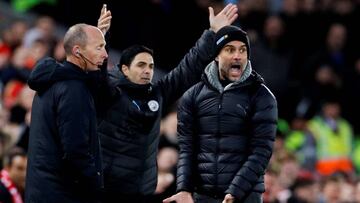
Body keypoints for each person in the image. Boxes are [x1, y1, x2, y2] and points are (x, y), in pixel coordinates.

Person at [95, 4, 239, 203]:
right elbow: (96, 70)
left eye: (151, 66)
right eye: (141, 65)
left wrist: (213, 33)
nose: (148, 71)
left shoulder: (157, 94)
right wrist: (101, 38)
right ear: (125, 69)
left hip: (132, 191)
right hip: (97, 185)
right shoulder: (108, 91)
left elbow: (187, 68)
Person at [163, 25, 278, 203]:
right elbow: (187, 149)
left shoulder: (262, 97)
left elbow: (261, 151)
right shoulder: (192, 96)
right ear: (216, 55)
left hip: (244, 197)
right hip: (203, 196)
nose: (237, 56)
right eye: (229, 50)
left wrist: (235, 193)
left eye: (242, 50)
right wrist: (184, 189)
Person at [25, 23, 108, 202]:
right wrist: (96, 185)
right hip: (62, 194)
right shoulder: (73, 89)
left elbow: (98, 88)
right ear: (78, 51)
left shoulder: (52, 80)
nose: (105, 54)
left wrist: (99, 35)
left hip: (42, 191)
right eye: (99, 47)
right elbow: (75, 150)